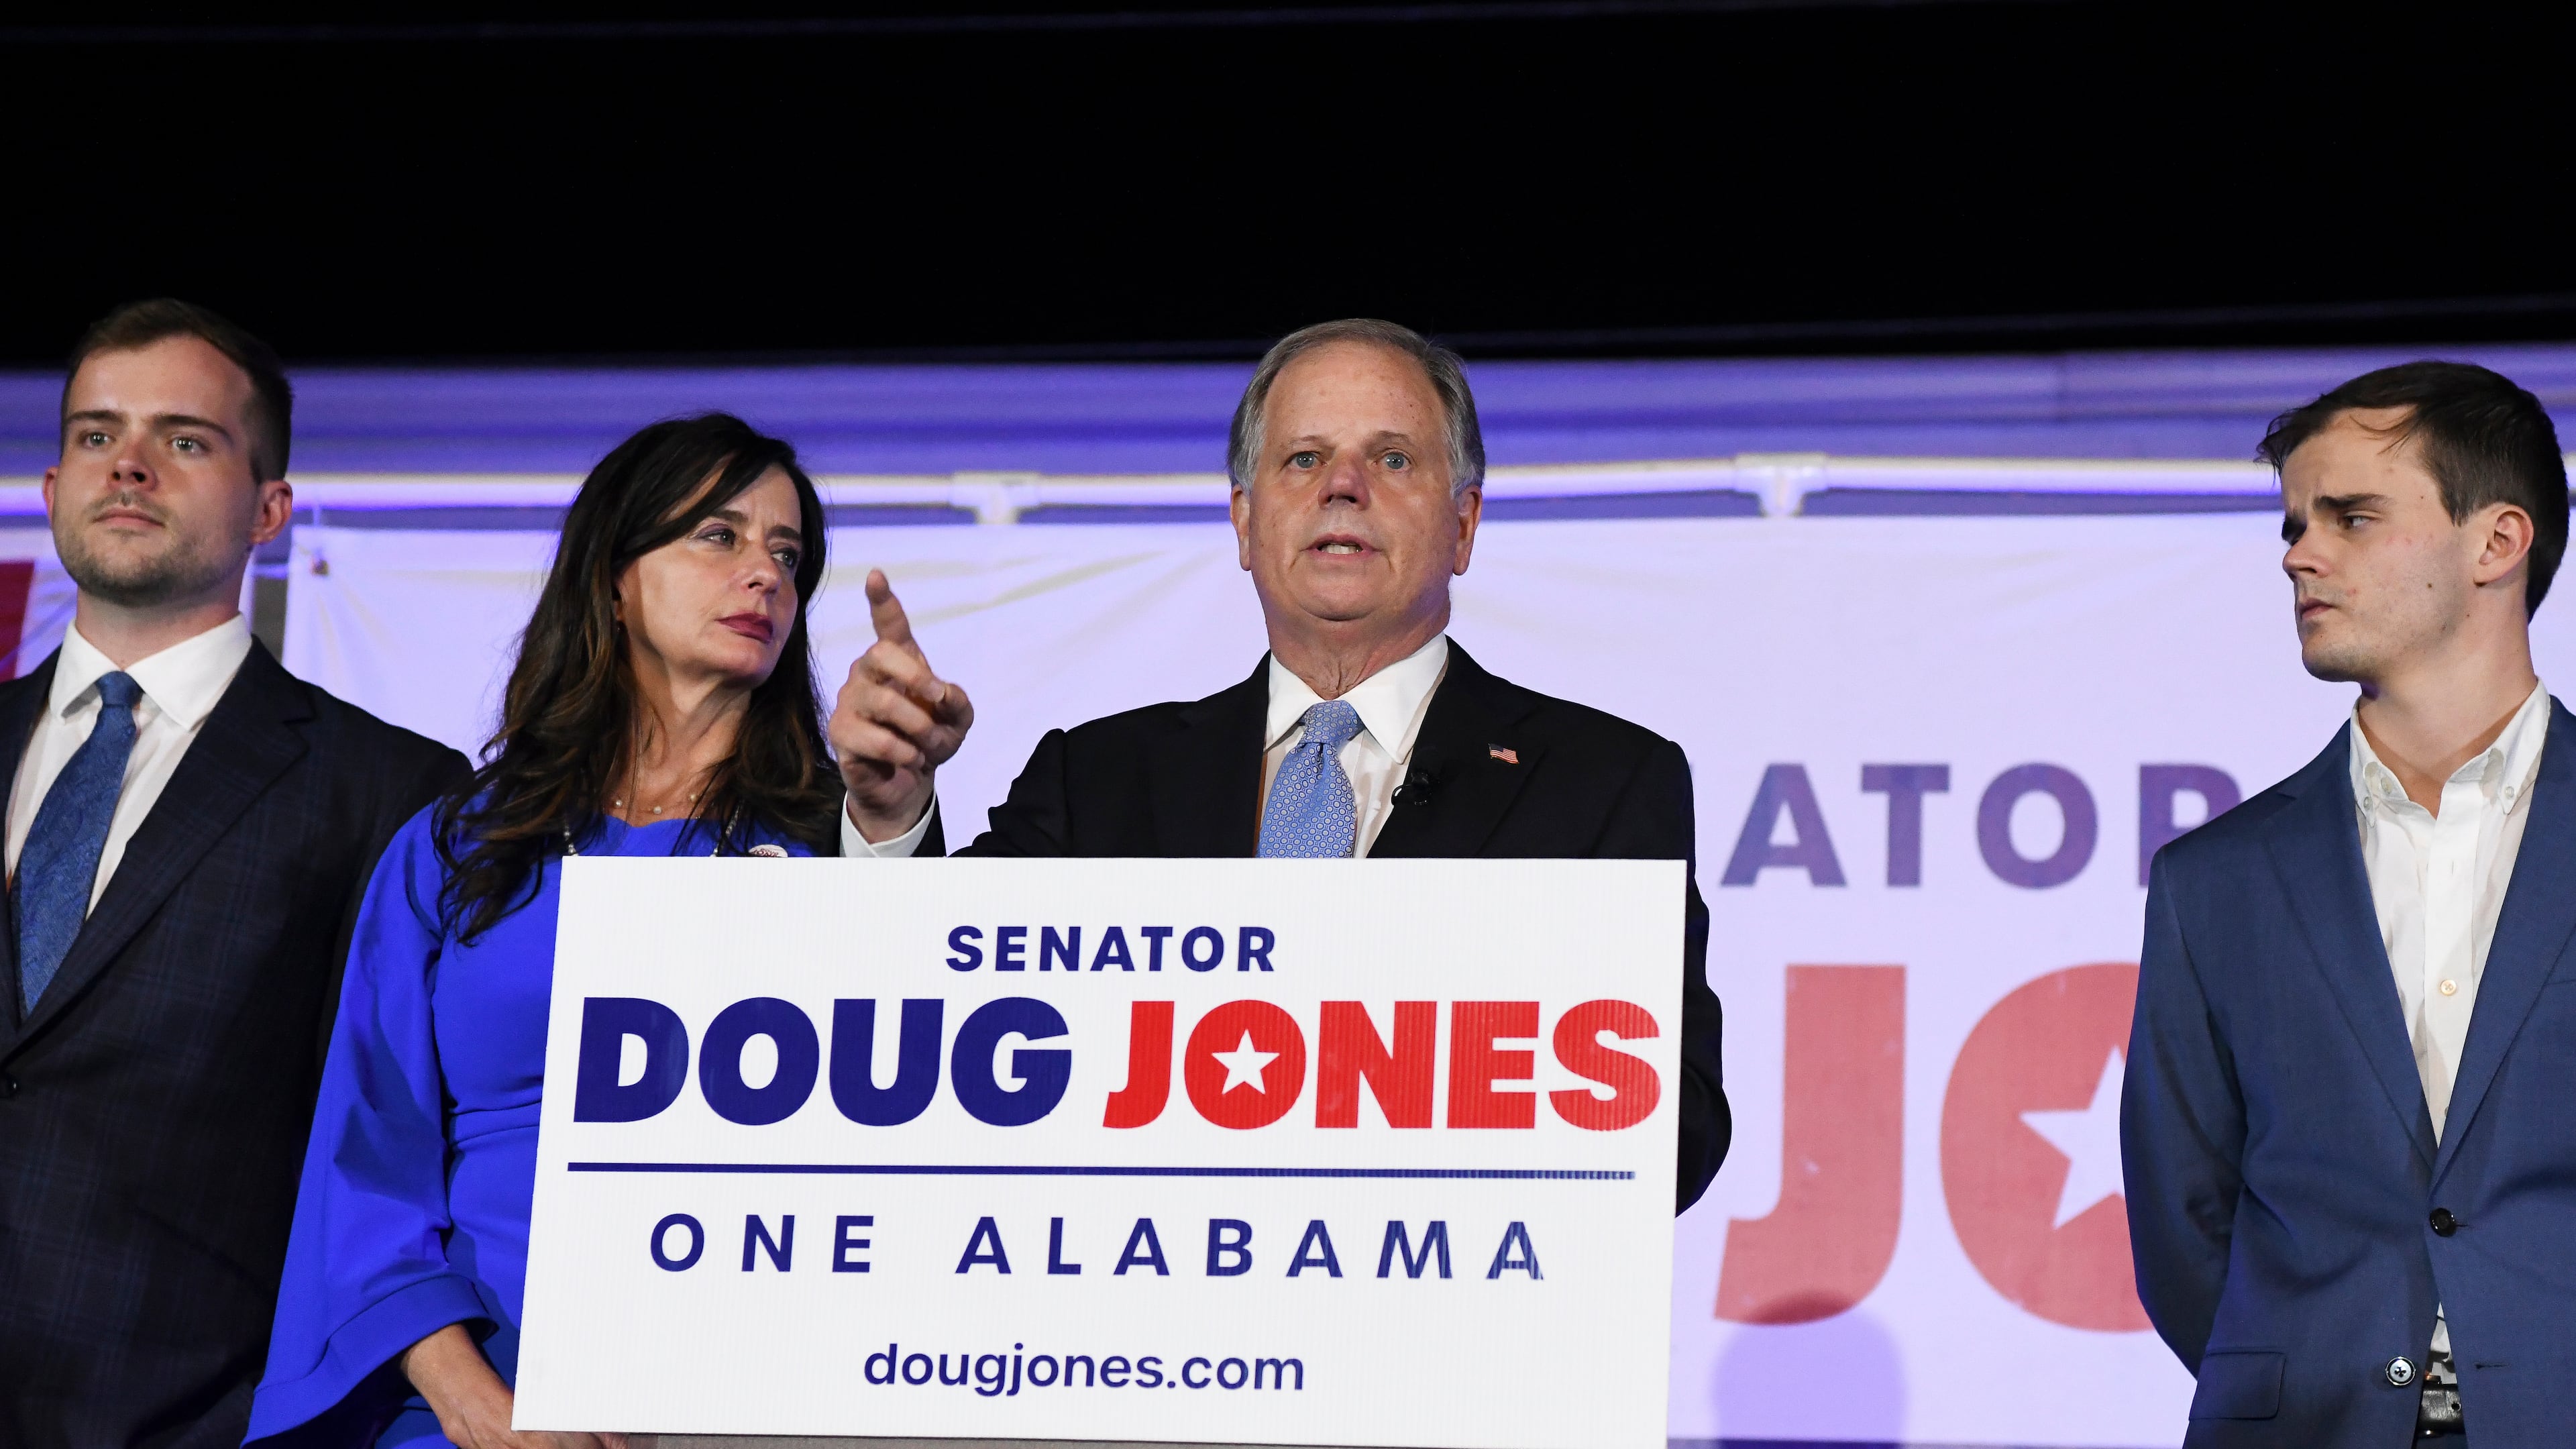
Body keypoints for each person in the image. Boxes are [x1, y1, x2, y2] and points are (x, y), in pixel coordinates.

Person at [836, 317, 1729, 1209]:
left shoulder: (1603, 781)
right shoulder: (1098, 778)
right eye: (1303, 459)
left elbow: (1674, 1135)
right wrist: (892, 817)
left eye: (1392, 460)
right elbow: (927, 1044)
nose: (1343, 487)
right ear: (1244, 520)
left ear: (1463, 524)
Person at [246, 414, 850, 1447]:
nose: (765, 577)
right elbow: (368, 1151)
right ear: (615, 577)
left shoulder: (829, 858)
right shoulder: (459, 848)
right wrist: (473, 1400)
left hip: (730, 1402)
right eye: (720, 536)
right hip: (460, 1406)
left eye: (787, 556)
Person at [0, 301, 470, 1448]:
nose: (132, 466)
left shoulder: (389, 788)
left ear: (270, 509)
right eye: (98, 435)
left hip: (188, 1413)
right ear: (52, 487)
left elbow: (389, 1137)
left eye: (186, 439)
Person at [2123, 362, 2576, 1444]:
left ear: (2496, 543)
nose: (2299, 554)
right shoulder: (2217, 877)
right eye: (2294, 523)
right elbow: (2184, 1218)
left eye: (2352, 517)